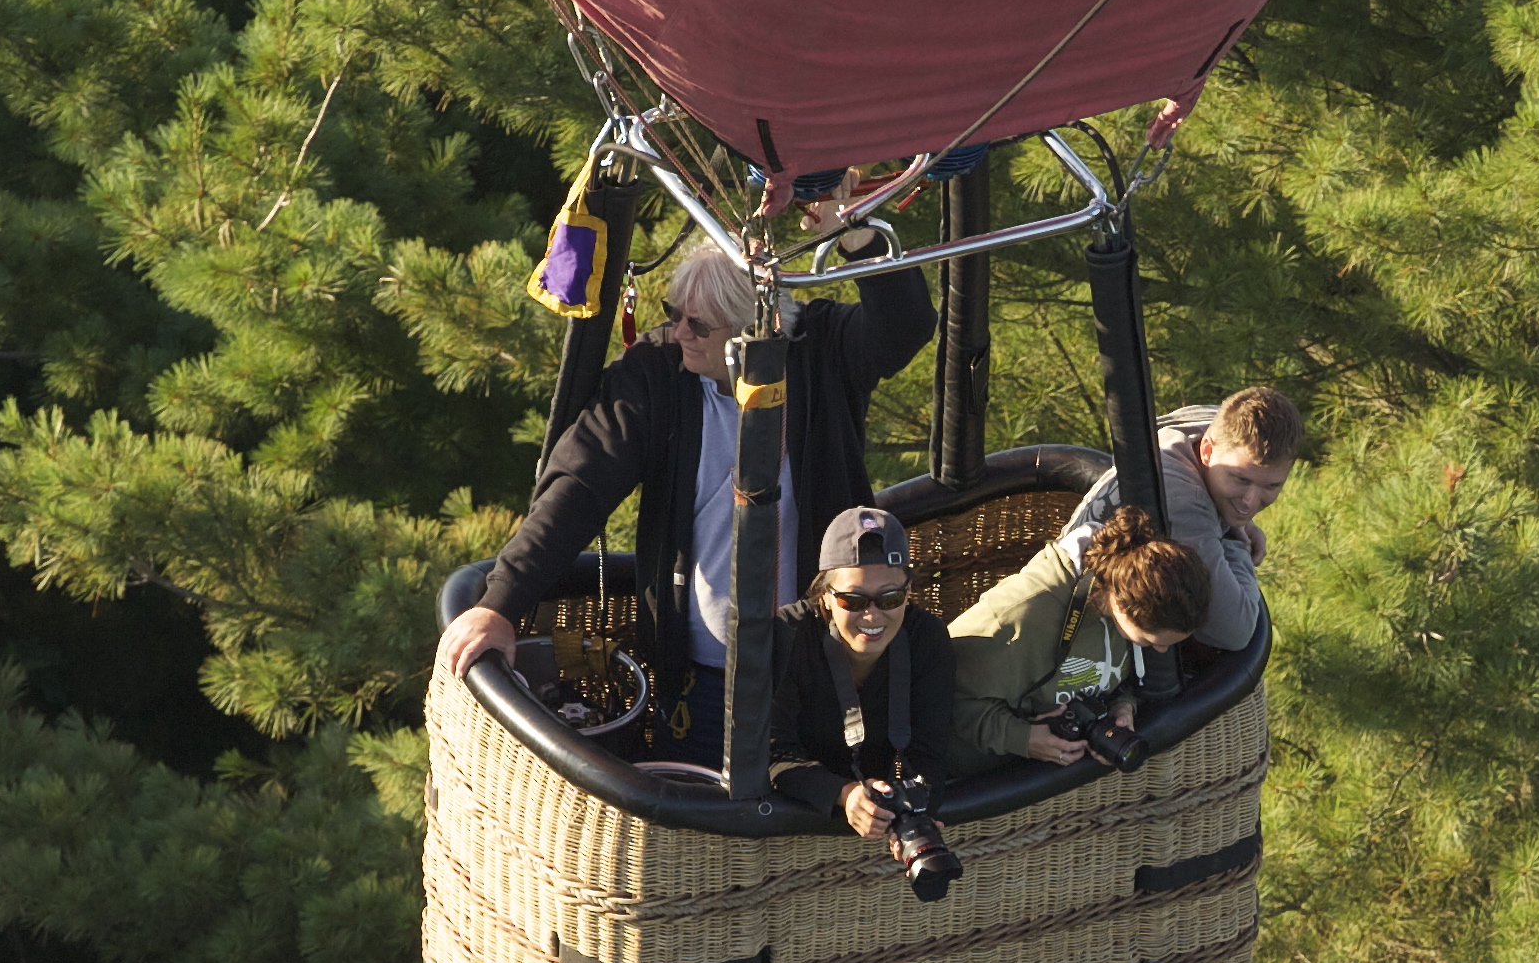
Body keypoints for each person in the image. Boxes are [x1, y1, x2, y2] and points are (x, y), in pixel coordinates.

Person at [434, 198, 931, 757]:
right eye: (674, 313)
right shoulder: (659, 372)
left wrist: (855, 234)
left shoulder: (822, 353)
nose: (680, 332)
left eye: (699, 324)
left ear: (753, 332)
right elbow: (579, 483)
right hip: (700, 676)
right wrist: (501, 603)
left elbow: (905, 326)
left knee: (813, 806)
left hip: (819, 668)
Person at [944, 508, 1210, 779]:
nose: (1161, 651)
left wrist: (1123, 706)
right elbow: (941, 696)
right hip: (978, 780)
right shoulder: (1022, 616)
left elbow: (1119, 673)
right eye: (1148, 641)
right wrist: (1022, 738)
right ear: (1121, 603)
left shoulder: (1127, 610)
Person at [765, 508, 956, 883]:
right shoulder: (786, 637)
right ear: (824, 595)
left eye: (889, 599)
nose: (872, 615)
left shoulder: (927, 640)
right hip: (791, 835)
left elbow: (930, 753)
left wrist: (915, 812)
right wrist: (845, 795)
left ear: (908, 592)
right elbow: (771, 753)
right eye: (853, 600)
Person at [1056, 386, 1301, 654]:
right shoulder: (1185, 505)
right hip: (1073, 633)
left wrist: (1240, 521)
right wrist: (1235, 541)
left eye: (1271, 486)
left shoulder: (1203, 421)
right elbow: (1235, 631)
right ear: (1207, 451)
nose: (1251, 502)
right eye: (1241, 479)